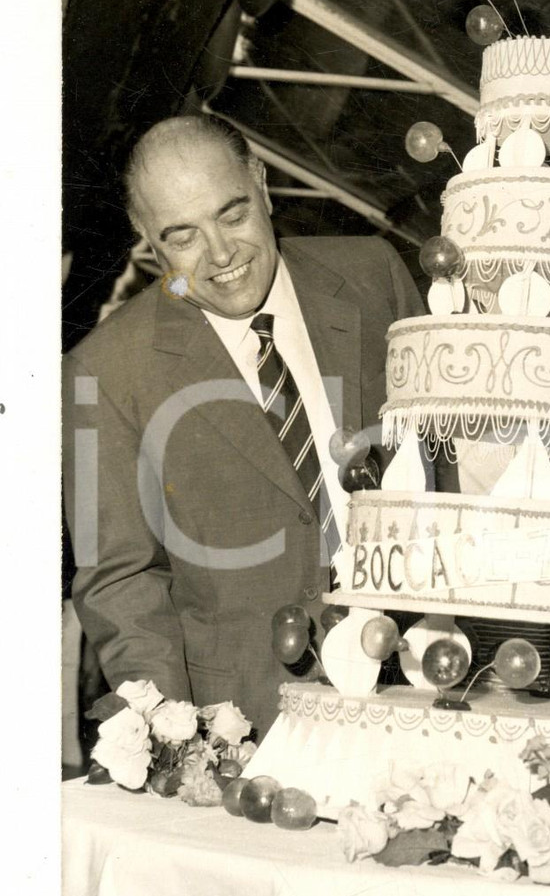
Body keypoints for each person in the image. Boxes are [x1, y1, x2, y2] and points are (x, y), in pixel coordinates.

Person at [63, 116, 424, 735]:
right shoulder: (100, 370)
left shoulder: (374, 278)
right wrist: (176, 740)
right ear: (146, 238)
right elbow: (121, 583)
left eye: (232, 215)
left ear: (260, 182)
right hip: (248, 724)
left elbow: (445, 457)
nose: (221, 255)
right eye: (183, 237)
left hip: (423, 682)